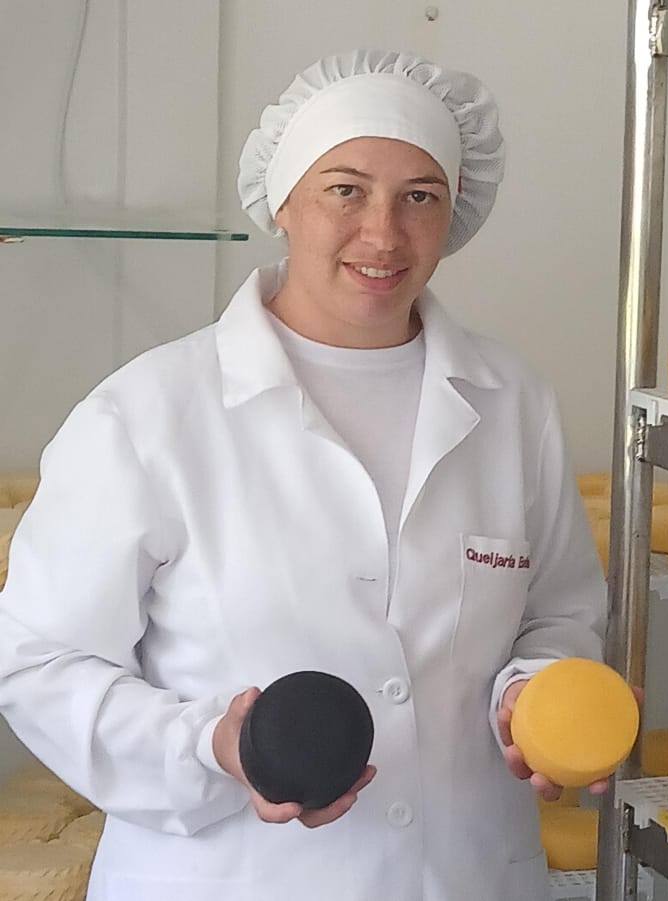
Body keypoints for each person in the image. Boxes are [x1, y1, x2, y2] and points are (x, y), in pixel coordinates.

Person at [0, 51, 608, 900]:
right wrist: (211, 746)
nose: (383, 233)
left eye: (419, 196)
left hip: (465, 874)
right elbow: (40, 660)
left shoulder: (512, 403)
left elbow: (560, 614)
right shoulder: (147, 414)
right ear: (282, 201)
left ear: (455, 212)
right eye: (345, 190)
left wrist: (532, 693)